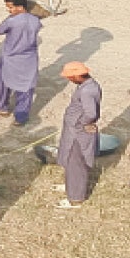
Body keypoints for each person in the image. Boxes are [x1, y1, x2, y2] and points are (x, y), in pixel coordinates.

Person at [0, 0, 42, 126]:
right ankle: (20, 117)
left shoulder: (12, 21)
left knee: (0, 79)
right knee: (26, 87)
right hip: (29, 59)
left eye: (10, 7)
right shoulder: (35, 20)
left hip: (11, 57)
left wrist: (10, 17)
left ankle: (2, 106)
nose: (9, 10)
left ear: (19, 7)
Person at [56, 61, 101, 209]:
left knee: (76, 162)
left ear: (77, 76)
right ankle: (71, 184)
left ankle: (75, 198)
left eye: (70, 77)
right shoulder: (87, 86)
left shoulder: (87, 91)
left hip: (78, 133)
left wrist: (79, 124)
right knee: (70, 159)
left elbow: (91, 113)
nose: (69, 79)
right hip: (74, 130)